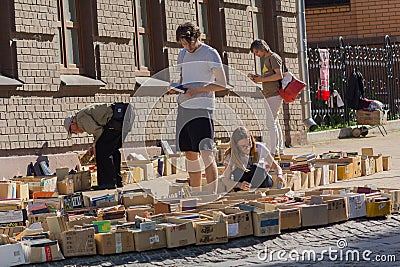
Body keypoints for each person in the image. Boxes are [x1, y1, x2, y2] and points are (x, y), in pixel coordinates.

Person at [172, 21, 227, 193]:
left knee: (206, 153)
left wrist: (198, 89)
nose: (186, 47)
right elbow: (183, 80)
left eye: (188, 42)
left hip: (202, 108)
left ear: (198, 37)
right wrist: (176, 87)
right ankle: (195, 195)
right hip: (184, 107)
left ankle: (212, 195)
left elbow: (222, 84)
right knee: (190, 154)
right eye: (182, 43)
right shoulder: (182, 54)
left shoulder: (210, 53)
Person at [64, 102, 134, 190]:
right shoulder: (82, 117)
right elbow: (99, 133)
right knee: (113, 150)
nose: (76, 134)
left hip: (117, 119)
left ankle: (107, 183)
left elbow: (98, 131)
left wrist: (95, 147)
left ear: (72, 124)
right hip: (124, 116)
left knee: (102, 152)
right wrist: (94, 145)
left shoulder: (80, 119)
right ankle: (117, 181)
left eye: (73, 131)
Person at [248, 39, 284, 156]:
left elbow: (279, 75)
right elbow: (270, 76)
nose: (256, 55)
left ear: (262, 48)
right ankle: (278, 148)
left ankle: (274, 151)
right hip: (269, 94)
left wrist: (261, 79)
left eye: (256, 51)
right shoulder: (267, 59)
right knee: (274, 122)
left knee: (270, 123)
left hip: (274, 94)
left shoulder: (273, 57)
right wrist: (258, 78)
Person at [222, 127, 284, 191]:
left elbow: (276, 166)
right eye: (243, 146)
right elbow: (225, 179)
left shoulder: (259, 148)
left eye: (249, 144)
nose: (248, 148)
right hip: (244, 188)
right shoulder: (231, 156)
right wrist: (239, 185)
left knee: (257, 168)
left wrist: (279, 175)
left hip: (263, 184)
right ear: (236, 146)